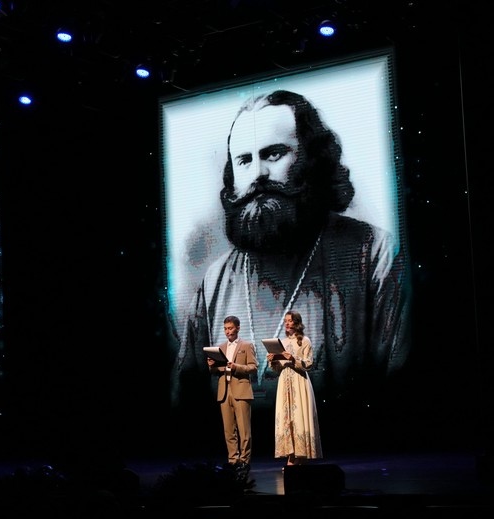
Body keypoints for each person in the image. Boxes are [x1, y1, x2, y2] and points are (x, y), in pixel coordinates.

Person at [173, 89, 410, 408]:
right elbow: (188, 403)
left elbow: (399, 393)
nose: (257, 174)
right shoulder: (215, 281)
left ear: (312, 160)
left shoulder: (376, 255)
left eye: (273, 154)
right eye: (244, 160)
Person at [207, 315, 257, 484]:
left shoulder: (246, 345)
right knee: (229, 431)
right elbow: (216, 371)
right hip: (225, 391)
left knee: (244, 430)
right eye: (226, 329)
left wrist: (237, 367)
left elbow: (253, 367)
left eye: (230, 328)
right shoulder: (221, 348)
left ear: (237, 328)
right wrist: (211, 366)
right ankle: (233, 461)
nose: (228, 331)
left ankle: (244, 462)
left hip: (241, 391)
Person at [267, 310, 322, 467]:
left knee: (299, 416)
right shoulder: (282, 342)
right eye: (286, 321)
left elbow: (308, 364)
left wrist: (293, 359)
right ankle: (291, 455)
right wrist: (273, 360)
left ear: (297, 323)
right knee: (287, 417)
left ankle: (301, 456)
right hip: (285, 381)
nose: (287, 323)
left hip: (299, 381)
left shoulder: (304, 341)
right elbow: (277, 368)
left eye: (290, 321)